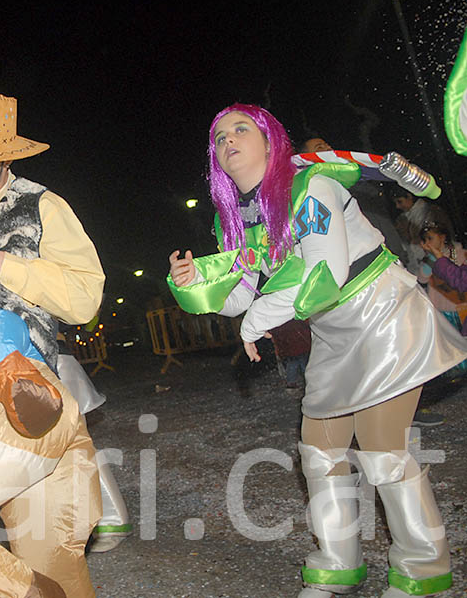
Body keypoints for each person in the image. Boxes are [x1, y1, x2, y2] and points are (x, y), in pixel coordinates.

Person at [169, 103, 467, 597]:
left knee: (382, 451)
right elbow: (244, 293)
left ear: (270, 140)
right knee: (319, 452)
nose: (228, 140)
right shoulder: (235, 223)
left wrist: (256, 321)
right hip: (331, 332)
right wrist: (199, 280)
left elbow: (321, 272)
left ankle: (423, 573)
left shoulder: (313, 186)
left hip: (381, 315)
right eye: (219, 136)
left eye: (241, 129)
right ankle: (336, 566)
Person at [0, 85, 131, 552]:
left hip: (22, 349)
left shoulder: (43, 206)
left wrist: (2, 265)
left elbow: (85, 297)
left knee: (43, 526)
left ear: (7, 160)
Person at [393, 191, 454, 278]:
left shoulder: (430, 212)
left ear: (409, 196)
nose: (397, 206)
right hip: (417, 269)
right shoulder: (402, 219)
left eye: (399, 201)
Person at [422, 224, 467, 338]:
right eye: (425, 239)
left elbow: (459, 278)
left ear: (442, 237)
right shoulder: (429, 259)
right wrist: (434, 257)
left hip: (459, 306)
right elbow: (422, 278)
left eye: (430, 238)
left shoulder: (461, 253)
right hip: (442, 307)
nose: (427, 242)